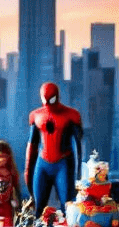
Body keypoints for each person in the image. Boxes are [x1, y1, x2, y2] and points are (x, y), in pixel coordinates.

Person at [25, 82, 83, 214]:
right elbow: (32, 145)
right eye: (45, 99)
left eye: (50, 99)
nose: (47, 103)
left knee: (67, 207)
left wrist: (79, 173)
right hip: (43, 163)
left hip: (63, 163)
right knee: (39, 208)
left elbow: (78, 145)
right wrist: (28, 172)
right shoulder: (36, 115)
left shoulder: (71, 115)